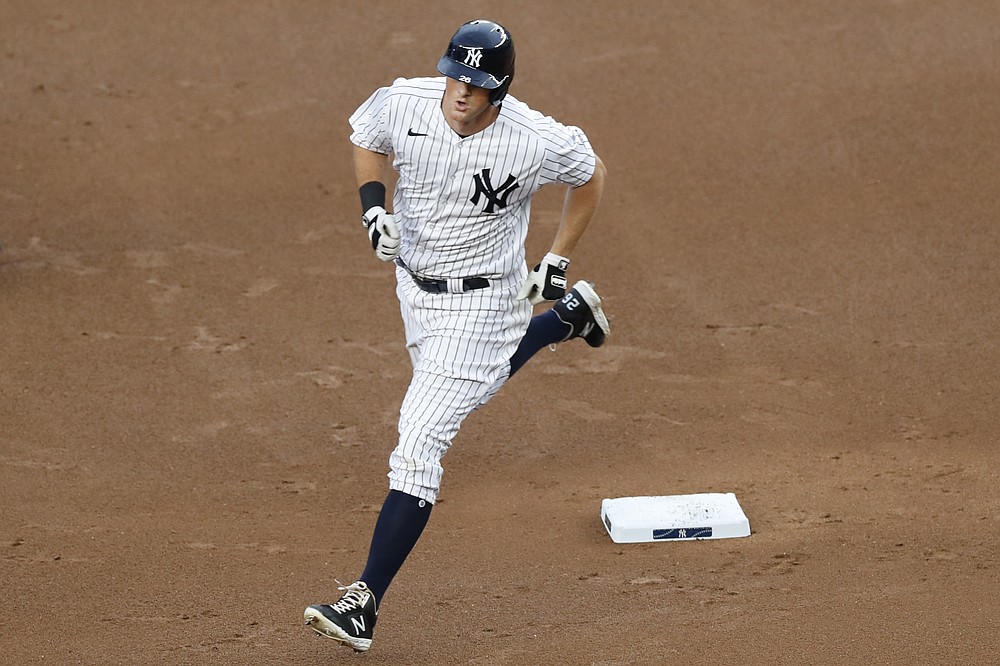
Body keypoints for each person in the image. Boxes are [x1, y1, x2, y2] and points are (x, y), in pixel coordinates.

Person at [304, 19, 609, 653]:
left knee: (419, 440)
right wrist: (372, 206)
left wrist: (555, 258)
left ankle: (363, 602)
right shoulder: (408, 101)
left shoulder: (534, 138)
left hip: (487, 301)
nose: (460, 93)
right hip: (414, 290)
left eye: (475, 84)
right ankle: (565, 321)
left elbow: (591, 175)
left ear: (498, 89)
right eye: (454, 78)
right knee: (470, 387)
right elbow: (368, 135)